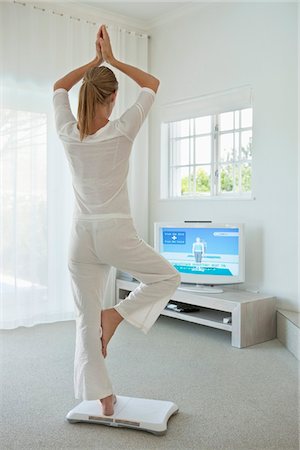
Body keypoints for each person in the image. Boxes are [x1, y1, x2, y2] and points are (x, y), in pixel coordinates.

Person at [52, 25, 181, 416]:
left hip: (79, 238)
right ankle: (118, 315)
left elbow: (59, 85)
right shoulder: (122, 131)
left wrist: (93, 64)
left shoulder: (66, 132)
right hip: (114, 234)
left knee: (85, 320)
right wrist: (113, 60)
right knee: (166, 277)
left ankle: (105, 399)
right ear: (112, 99)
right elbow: (153, 83)